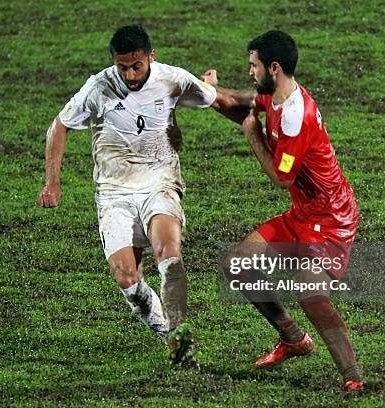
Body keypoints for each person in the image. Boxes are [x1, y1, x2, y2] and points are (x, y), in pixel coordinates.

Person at [37, 25, 216, 366]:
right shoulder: (99, 87)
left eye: (136, 66)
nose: (130, 75)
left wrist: (210, 82)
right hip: (114, 195)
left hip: (159, 185)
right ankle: (167, 333)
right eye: (122, 67)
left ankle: (181, 336)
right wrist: (53, 183)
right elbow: (59, 126)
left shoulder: (171, 78)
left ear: (151, 56)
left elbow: (208, 95)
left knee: (169, 251)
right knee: (126, 277)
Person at [203, 30, 364, 391]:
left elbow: (281, 178)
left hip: (330, 217)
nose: (250, 72)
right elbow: (247, 103)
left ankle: (353, 378)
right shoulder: (274, 93)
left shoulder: (295, 116)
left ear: (273, 68)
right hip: (305, 212)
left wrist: (252, 136)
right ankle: (292, 338)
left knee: (311, 296)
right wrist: (213, 94)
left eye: (253, 66)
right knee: (236, 264)